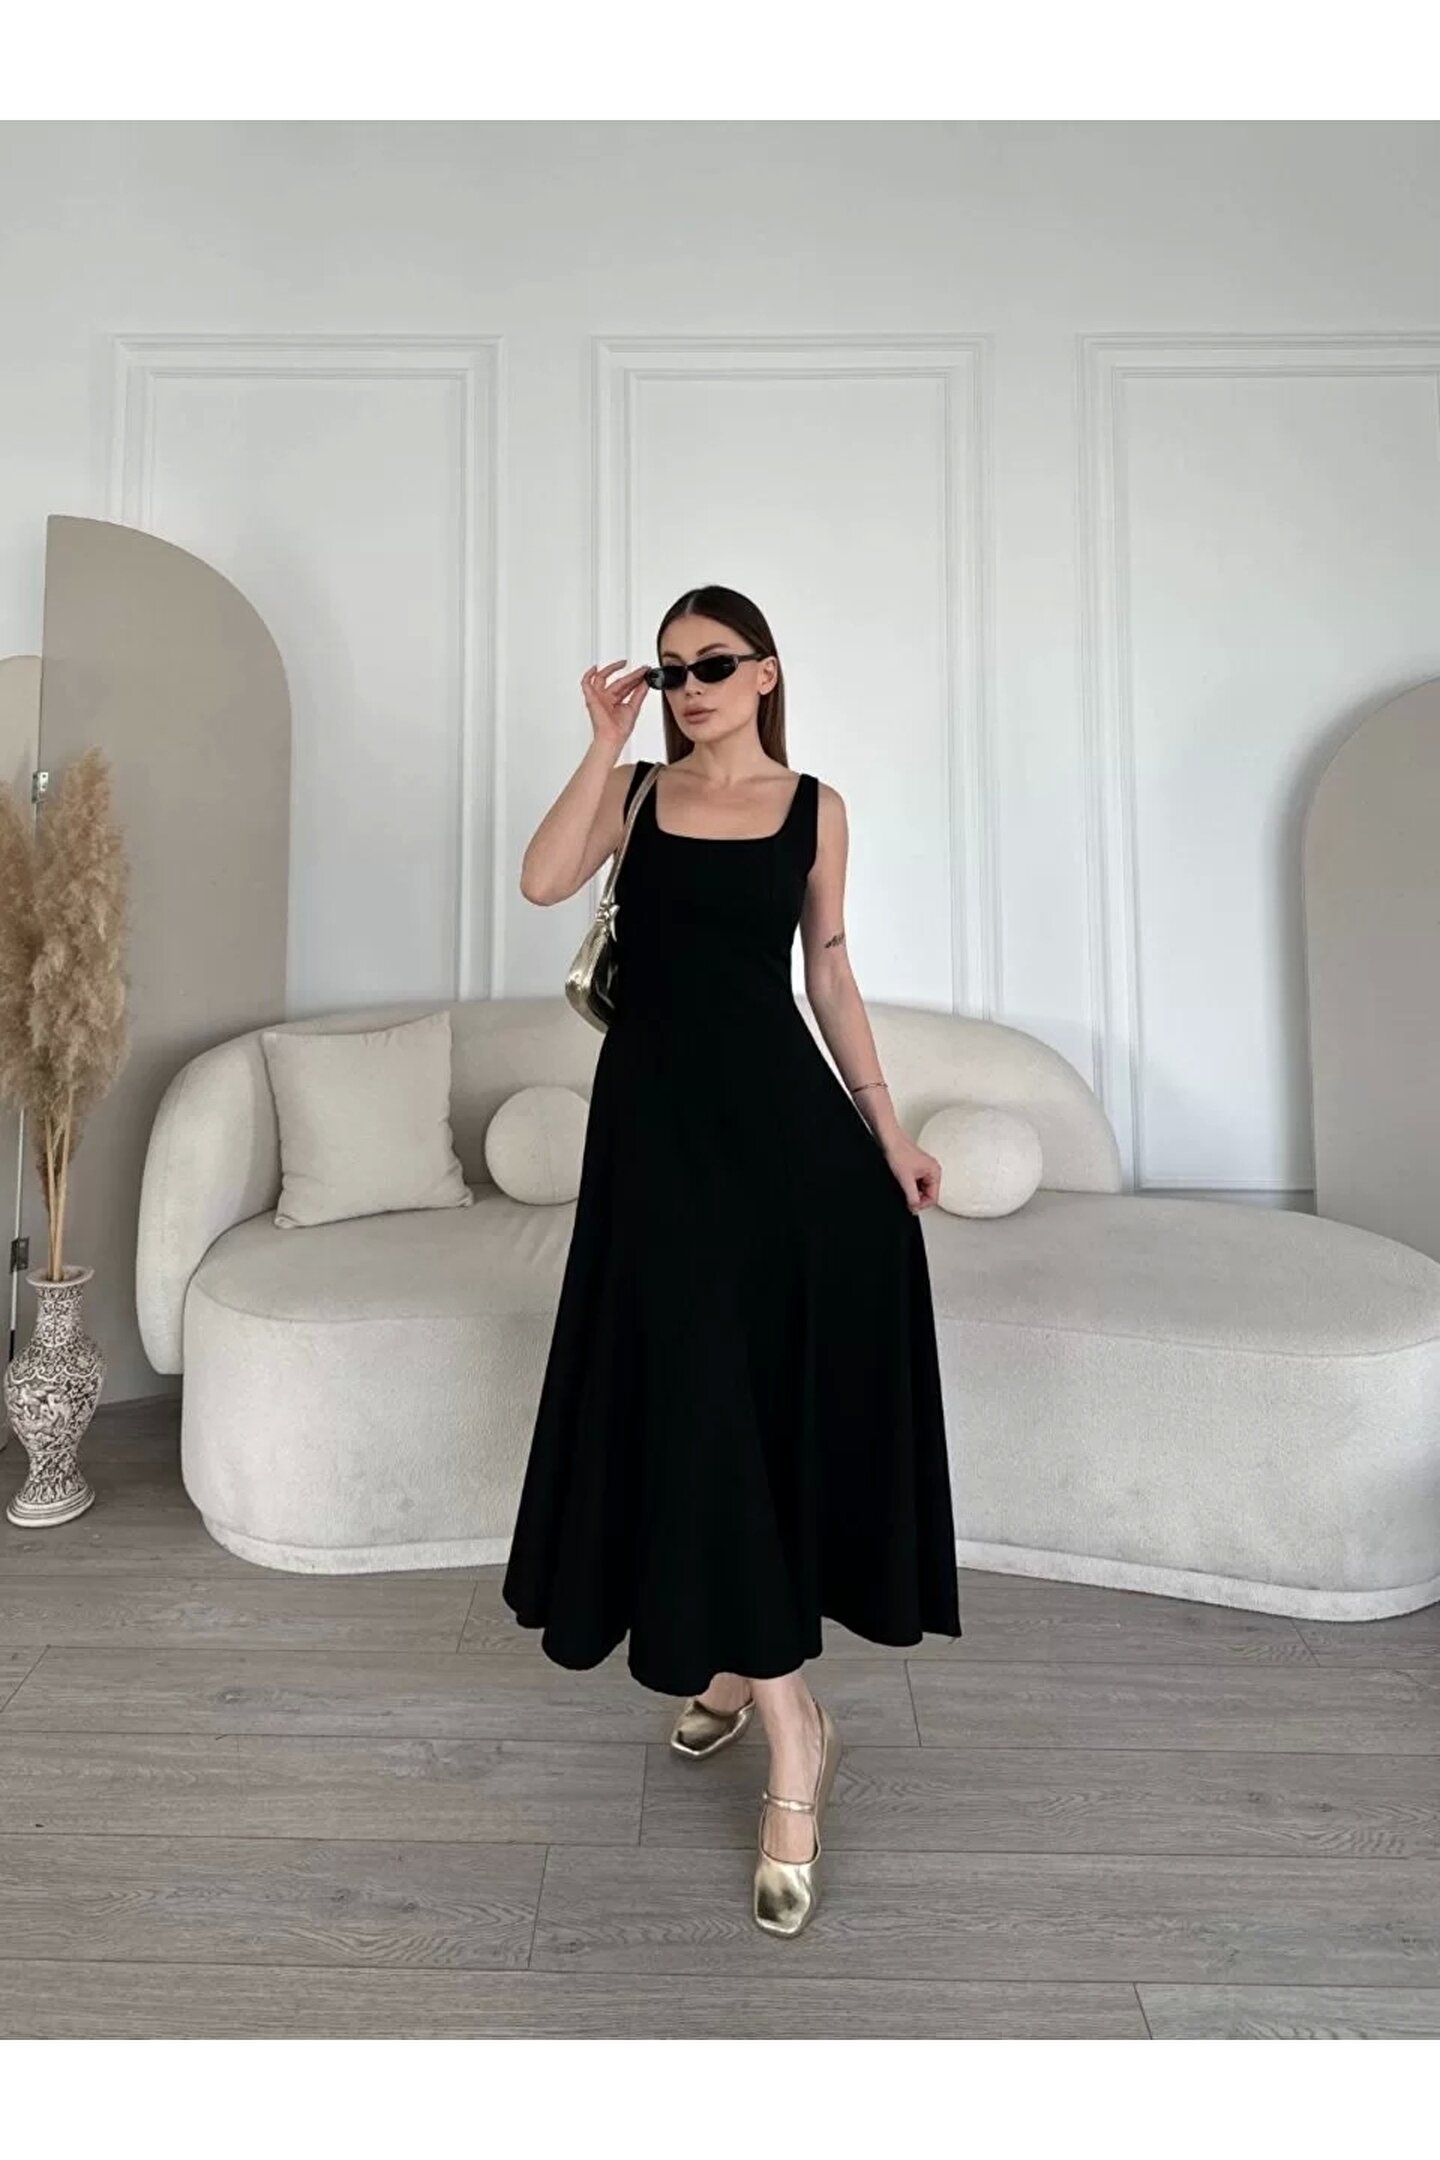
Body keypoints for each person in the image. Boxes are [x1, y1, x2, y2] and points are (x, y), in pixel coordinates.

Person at [502, 583, 962, 1937]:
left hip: (782, 1146)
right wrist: (603, 738)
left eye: (712, 664)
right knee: (693, 1401)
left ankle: (780, 1721)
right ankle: (763, 1686)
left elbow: (831, 974)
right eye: (670, 669)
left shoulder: (816, 807)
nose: (689, 686)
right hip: (655, 1152)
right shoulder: (637, 794)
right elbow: (542, 880)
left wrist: (889, 1135)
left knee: (738, 1406)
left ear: (765, 673)